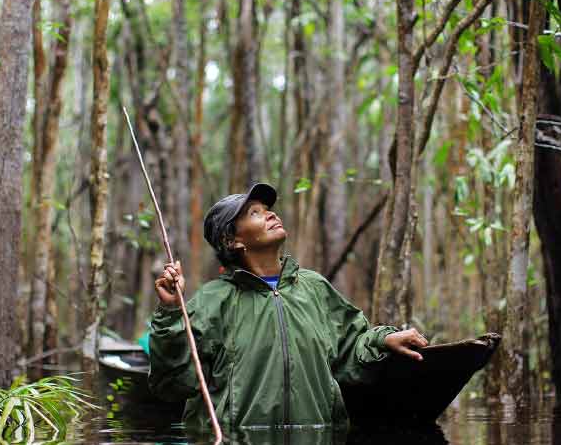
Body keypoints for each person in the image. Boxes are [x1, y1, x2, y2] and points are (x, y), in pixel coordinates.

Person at [148, 183, 427, 429]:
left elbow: (350, 349)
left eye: (268, 209)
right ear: (232, 241)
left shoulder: (314, 288)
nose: (271, 214)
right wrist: (171, 312)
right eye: (255, 213)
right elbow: (172, 383)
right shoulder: (212, 301)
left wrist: (383, 339)